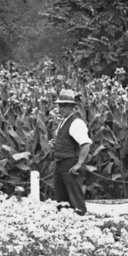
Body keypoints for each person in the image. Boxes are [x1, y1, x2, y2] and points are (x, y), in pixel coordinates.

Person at [50, 85, 91, 215]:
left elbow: (86, 144)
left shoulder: (76, 123)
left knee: (75, 196)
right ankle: (65, 218)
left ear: (72, 107)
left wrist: (79, 164)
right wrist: (55, 144)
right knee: (61, 196)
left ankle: (81, 217)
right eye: (60, 106)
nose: (61, 109)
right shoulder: (63, 122)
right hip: (60, 162)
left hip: (70, 164)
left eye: (64, 106)